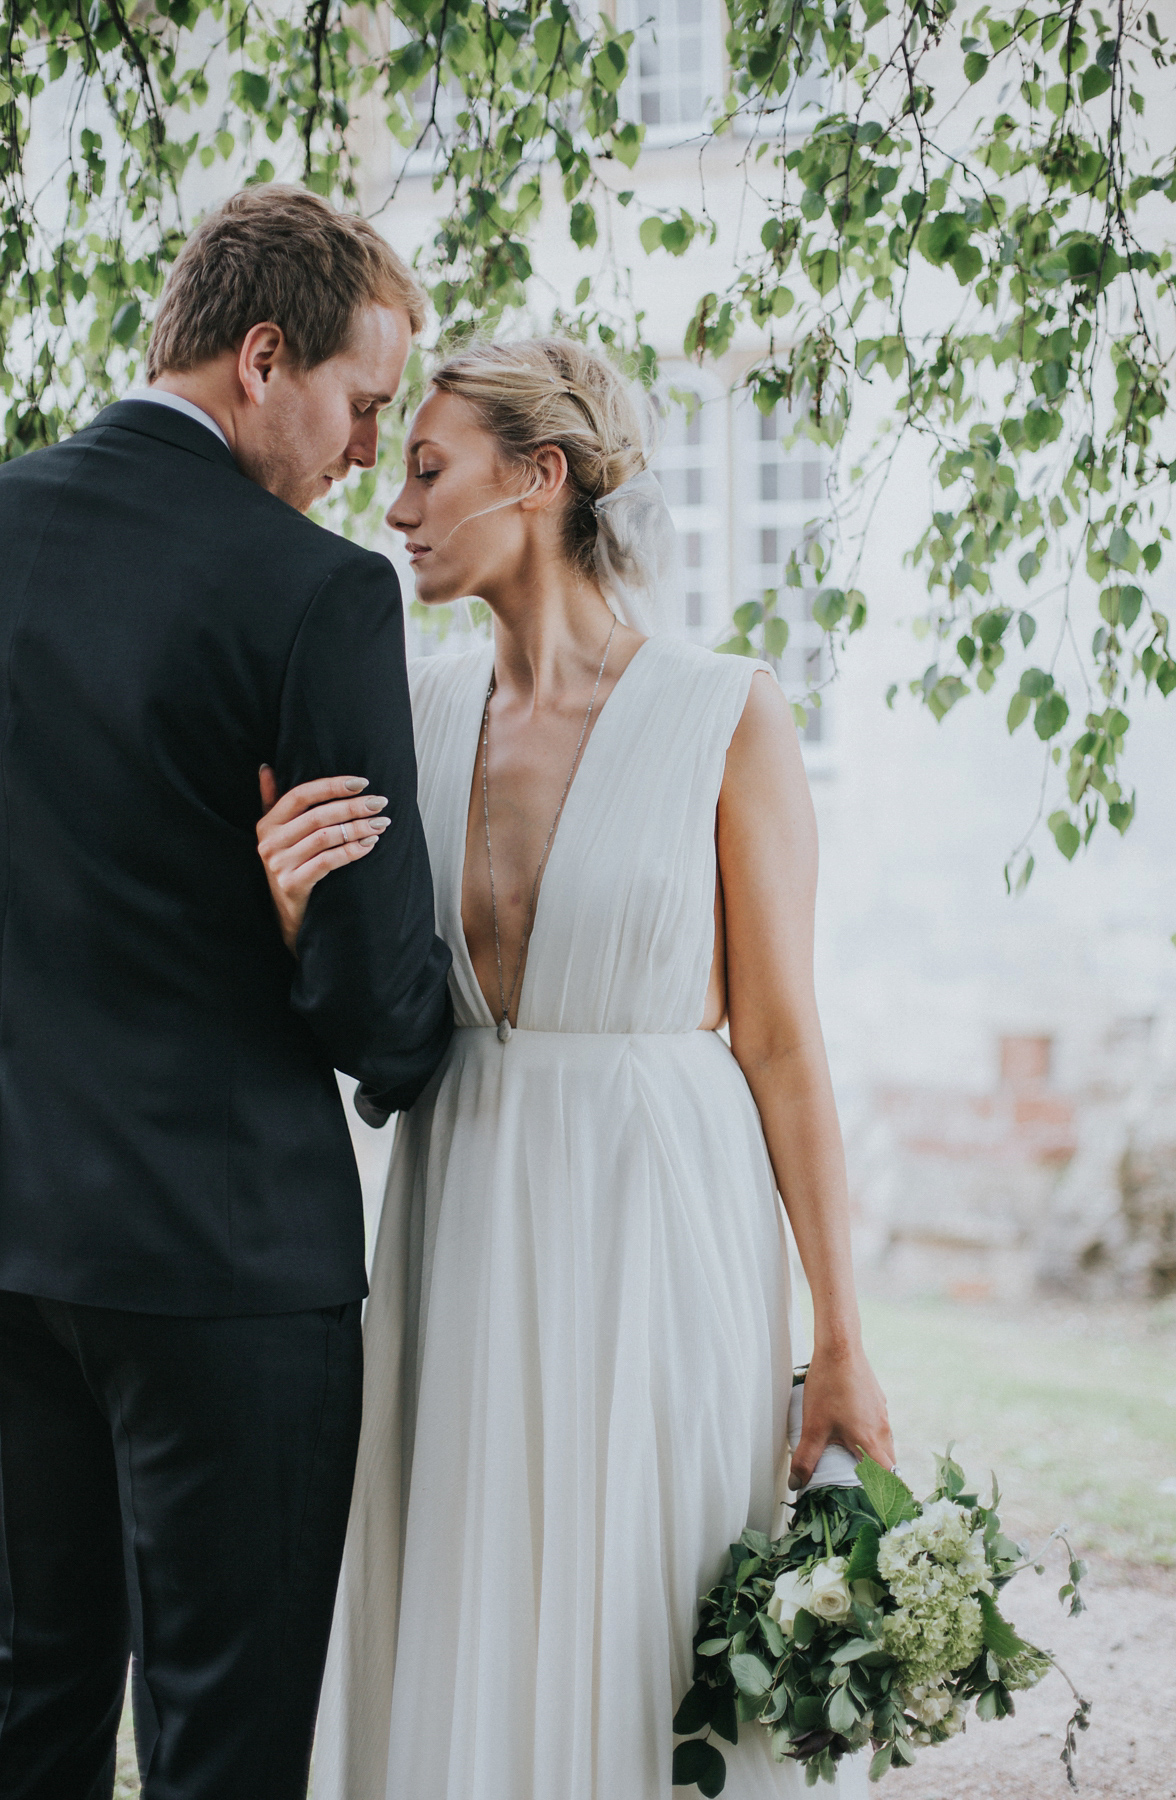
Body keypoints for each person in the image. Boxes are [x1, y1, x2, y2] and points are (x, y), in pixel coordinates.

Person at [259, 337, 895, 1798]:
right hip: (461, 1192)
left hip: (659, 1210)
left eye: (429, 471)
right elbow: (367, 1005)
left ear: (539, 477)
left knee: (647, 1587)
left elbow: (785, 1043)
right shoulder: (403, 712)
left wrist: (842, 1335)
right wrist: (301, 919)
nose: (396, 506)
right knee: (464, 1569)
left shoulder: (723, 712)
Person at [0, 186, 453, 1800]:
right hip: (226, 1260)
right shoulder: (313, 594)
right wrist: (299, 917)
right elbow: (392, 1022)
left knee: (22, 1714)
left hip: (1, 1235)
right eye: (362, 405)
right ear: (265, 359)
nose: (364, 460)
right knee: (220, 1747)